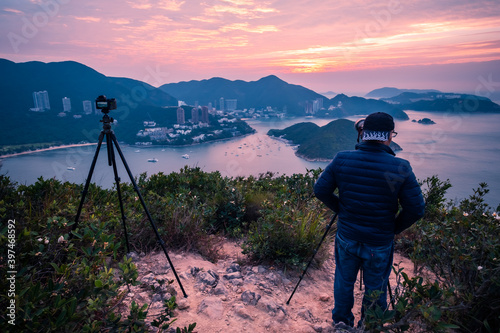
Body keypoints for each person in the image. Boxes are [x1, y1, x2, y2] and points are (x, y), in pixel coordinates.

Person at [313, 112, 425, 328]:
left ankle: (341, 323)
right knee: (377, 286)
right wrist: (392, 228)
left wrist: (343, 210)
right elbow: (416, 209)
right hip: (379, 241)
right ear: (389, 136)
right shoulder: (401, 167)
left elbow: (320, 190)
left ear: (363, 133)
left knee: (344, 281)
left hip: (347, 236)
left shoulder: (342, 158)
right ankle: (370, 325)